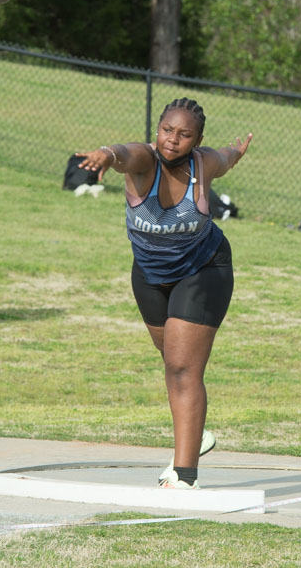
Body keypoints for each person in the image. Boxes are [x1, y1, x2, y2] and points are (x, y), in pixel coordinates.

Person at [74, 98, 251, 489]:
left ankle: (184, 477)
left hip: (204, 269)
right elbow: (124, 153)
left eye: (185, 134)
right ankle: (197, 433)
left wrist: (237, 151)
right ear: (157, 130)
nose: (173, 140)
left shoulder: (203, 165)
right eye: (167, 130)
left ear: (197, 139)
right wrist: (106, 155)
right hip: (150, 276)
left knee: (183, 368)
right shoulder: (145, 162)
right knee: (172, 360)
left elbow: (225, 156)